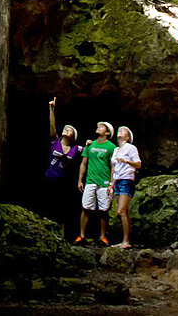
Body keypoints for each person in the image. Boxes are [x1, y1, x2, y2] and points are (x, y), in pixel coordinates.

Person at [44, 97, 84, 238]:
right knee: (50, 206)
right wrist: (52, 109)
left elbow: (89, 153)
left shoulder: (76, 148)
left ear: (73, 136)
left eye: (69, 129)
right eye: (65, 128)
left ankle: (61, 235)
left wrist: (90, 144)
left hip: (64, 181)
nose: (66, 130)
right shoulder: (55, 142)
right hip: (50, 178)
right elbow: (52, 126)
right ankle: (46, 232)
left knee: (63, 208)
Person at [74, 121, 116, 246]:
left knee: (104, 210)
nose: (99, 127)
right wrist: (80, 180)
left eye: (102, 127)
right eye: (98, 125)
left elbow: (113, 166)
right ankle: (81, 236)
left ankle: (102, 237)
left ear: (107, 132)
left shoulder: (111, 147)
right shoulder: (90, 145)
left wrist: (111, 183)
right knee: (86, 208)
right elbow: (83, 163)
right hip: (90, 181)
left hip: (104, 182)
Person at [108, 126, 141, 249]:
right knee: (125, 212)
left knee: (121, 211)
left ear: (128, 137)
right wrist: (111, 184)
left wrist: (126, 161)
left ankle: (126, 241)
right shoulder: (116, 150)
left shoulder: (131, 148)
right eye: (119, 130)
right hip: (117, 181)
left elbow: (138, 164)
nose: (120, 132)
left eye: (124, 132)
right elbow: (113, 168)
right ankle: (125, 240)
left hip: (126, 180)